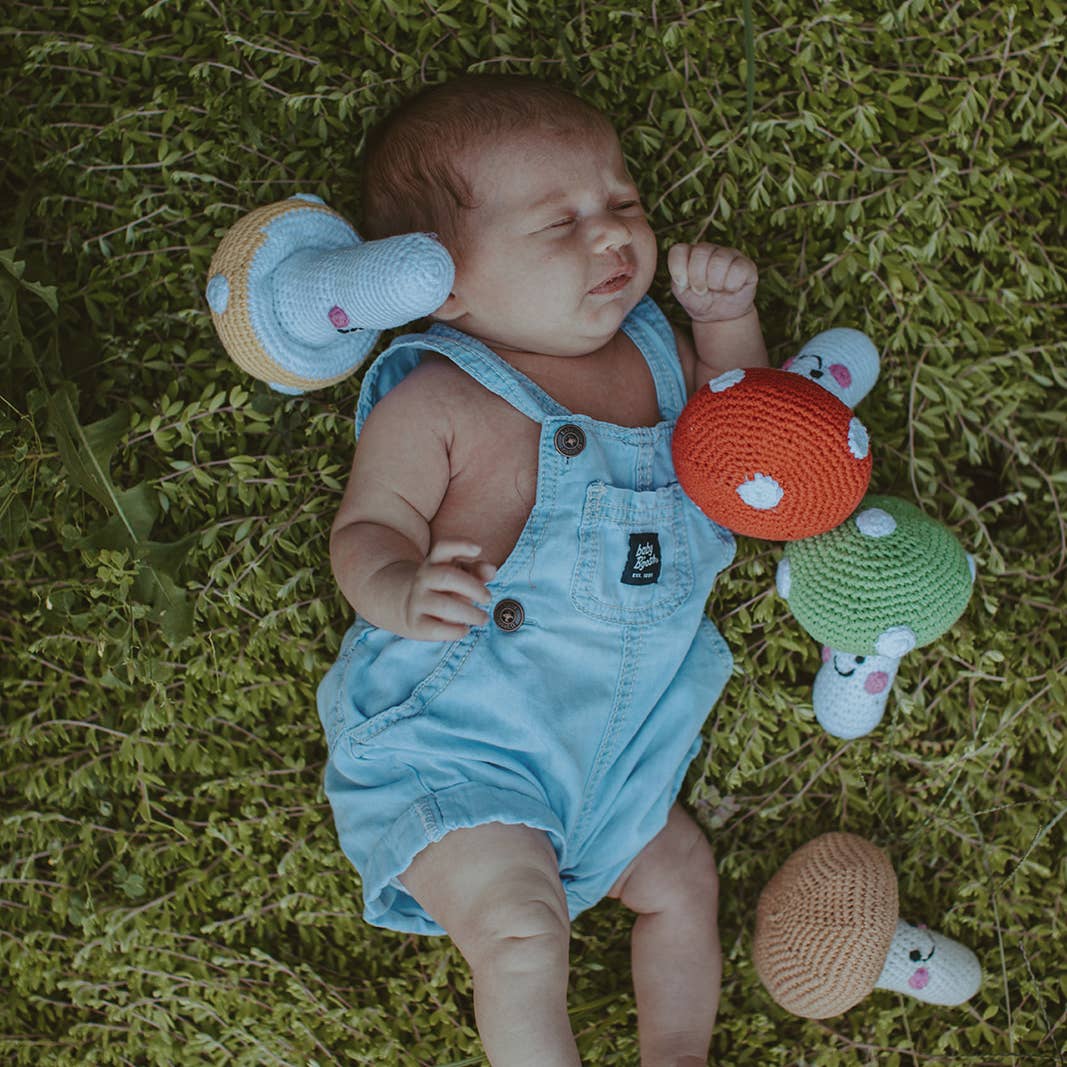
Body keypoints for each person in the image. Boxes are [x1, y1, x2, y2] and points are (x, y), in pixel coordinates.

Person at [317, 73, 768, 1067]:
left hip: (610, 766)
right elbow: (365, 527)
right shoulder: (437, 399)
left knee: (683, 876)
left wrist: (725, 324)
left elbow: (746, 442)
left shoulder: (658, 359)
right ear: (442, 284)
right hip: (455, 749)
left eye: (622, 204)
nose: (610, 236)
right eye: (556, 224)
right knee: (522, 926)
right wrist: (399, 587)